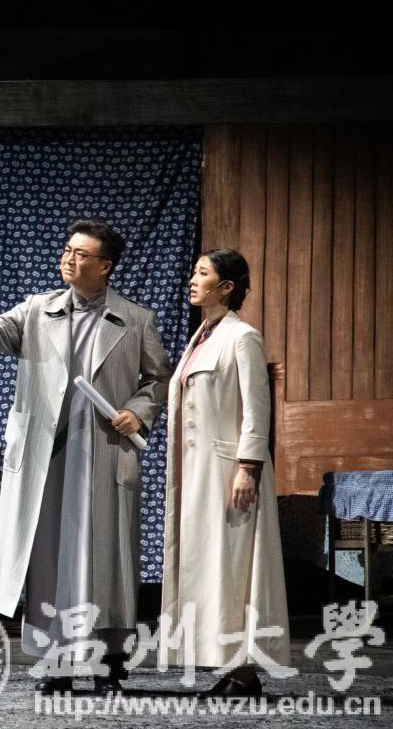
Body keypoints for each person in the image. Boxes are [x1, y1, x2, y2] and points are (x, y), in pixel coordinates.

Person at [0, 220, 171, 694]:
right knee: (51, 555)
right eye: (68, 250)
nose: (69, 258)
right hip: (48, 453)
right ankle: (57, 660)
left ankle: (110, 659)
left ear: (105, 266)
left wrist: (137, 411)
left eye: (81, 254)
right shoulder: (38, 309)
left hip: (103, 450)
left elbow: (158, 379)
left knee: (105, 557)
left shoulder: (134, 319)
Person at [159, 249, 290, 696]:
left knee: (238, 568)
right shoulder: (202, 335)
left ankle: (247, 670)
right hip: (198, 474)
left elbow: (257, 408)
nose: (192, 280)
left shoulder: (242, 337)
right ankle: (231, 664)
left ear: (226, 287)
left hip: (229, 471)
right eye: (194, 272)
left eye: (202, 273)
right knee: (214, 569)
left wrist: (247, 467)